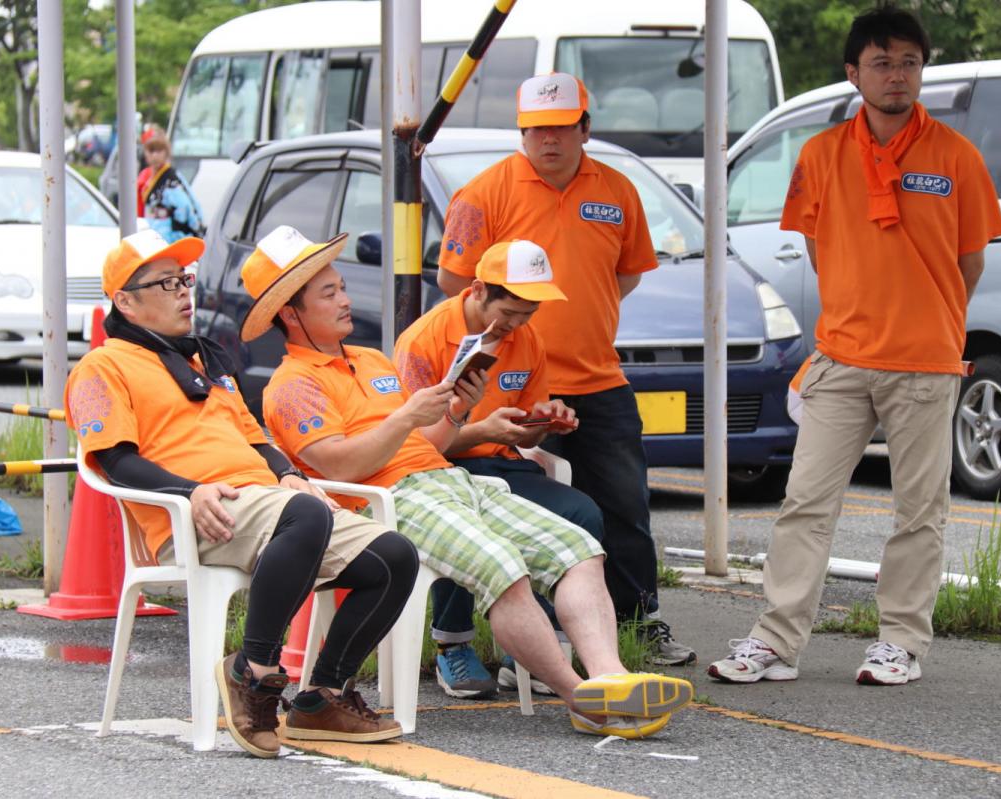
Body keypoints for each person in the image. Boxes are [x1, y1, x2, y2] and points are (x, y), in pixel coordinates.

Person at [246, 225, 693, 740]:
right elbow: (338, 467)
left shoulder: (369, 361)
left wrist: (456, 409)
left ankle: (610, 680)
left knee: (578, 547)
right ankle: (582, 698)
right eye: (330, 293)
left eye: (342, 286)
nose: (346, 299)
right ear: (289, 312)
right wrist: (406, 417)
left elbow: (428, 444)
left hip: (449, 478)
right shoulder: (291, 384)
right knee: (500, 565)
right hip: (390, 502)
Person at [707, 5, 1001, 687]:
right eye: (881, 62)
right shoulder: (819, 154)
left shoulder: (957, 158)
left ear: (921, 71)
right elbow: (816, 247)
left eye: (908, 62)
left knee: (917, 511)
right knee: (805, 501)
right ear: (853, 73)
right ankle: (776, 641)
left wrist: (926, 316)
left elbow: (971, 261)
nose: (897, 75)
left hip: (925, 361)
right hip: (839, 357)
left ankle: (900, 642)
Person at [65, 229, 419, 759]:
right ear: (125, 301)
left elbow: (254, 436)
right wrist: (190, 491)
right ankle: (253, 672)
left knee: (393, 555)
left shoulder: (202, 362)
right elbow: (115, 462)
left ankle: (321, 697)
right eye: (167, 283)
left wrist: (286, 473)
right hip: (192, 514)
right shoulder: (102, 365)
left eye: (185, 279)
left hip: (264, 503)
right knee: (304, 515)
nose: (185, 292)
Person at [436, 72, 695, 666]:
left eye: (559, 128)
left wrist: (583, 318)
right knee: (483, 500)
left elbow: (625, 274)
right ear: (522, 131)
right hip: (507, 383)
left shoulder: (619, 190)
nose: (547, 141)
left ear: (584, 127)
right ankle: (491, 635)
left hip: (597, 378)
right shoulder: (484, 192)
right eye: (534, 130)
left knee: (625, 506)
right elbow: (455, 282)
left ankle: (639, 620)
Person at [395, 239, 604, 701]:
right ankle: (452, 644)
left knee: (583, 513)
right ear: (476, 291)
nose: (514, 326)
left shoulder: (527, 338)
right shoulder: (423, 341)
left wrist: (542, 423)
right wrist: (479, 428)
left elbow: (524, 431)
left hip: (502, 464)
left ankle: (531, 651)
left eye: (527, 315)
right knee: (460, 522)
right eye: (507, 313)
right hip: (439, 466)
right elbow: (410, 443)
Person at [139, 134, 204, 243]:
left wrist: (176, 233)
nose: (155, 155)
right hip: (156, 233)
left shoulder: (170, 180)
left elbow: (184, 207)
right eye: (151, 151)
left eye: (159, 151)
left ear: (166, 153)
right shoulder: (150, 175)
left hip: (171, 237)